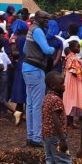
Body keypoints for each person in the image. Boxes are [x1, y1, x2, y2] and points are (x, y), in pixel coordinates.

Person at [22, 10, 55, 148]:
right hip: (36, 69)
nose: (47, 20)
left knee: (30, 104)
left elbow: (25, 49)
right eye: (44, 18)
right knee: (37, 105)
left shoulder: (31, 29)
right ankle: (36, 137)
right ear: (37, 19)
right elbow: (47, 50)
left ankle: (30, 136)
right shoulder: (38, 31)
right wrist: (55, 48)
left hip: (27, 68)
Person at [41, 71, 73, 164]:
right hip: (56, 137)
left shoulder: (47, 98)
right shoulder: (56, 100)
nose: (64, 86)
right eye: (61, 84)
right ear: (52, 85)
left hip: (46, 136)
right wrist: (63, 140)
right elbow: (56, 121)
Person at [63, 40, 82, 128]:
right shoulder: (73, 58)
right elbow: (74, 71)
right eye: (77, 47)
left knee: (71, 99)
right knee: (72, 99)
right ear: (72, 48)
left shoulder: (71, 57)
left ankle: (69, 121)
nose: (79, 48)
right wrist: (80, 73)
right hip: (74, 81)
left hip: (72, 80)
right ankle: (70, 122)